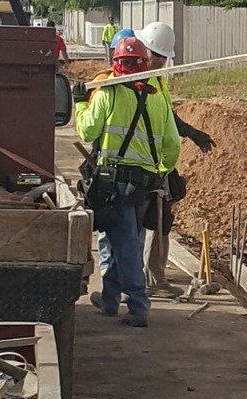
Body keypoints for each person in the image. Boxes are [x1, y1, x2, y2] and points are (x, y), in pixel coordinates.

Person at [75, 34, 180, 327]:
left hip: (115, 182)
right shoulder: (158, 98)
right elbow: (172, 144)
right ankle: (110, 301)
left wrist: (81, 103)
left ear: (116, 64)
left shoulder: (108, 92)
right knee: (121, 238)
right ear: (145, 64)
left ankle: (138, 305)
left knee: (126, 246)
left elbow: (87, 132)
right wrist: (162, 170)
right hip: (145, 183)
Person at [136, 20, 214, 293]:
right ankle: (139, 281)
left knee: (162, 219)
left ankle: (155, 277)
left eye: (162, 58)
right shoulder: (131, 79)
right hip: (138, 163)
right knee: (139, 222)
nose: (160, 62)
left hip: (159, 163)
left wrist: (191, 132)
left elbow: (167, 116)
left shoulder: (157, 80)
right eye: (156, 56)